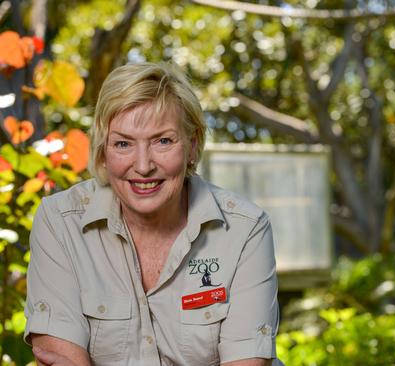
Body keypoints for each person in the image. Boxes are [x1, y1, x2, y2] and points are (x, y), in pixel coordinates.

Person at [24, 62, 280, 366]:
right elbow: (60, 357)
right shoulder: (60, 222)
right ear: (103, 151)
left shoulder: (245, 230)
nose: (143, 165)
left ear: (193, 145)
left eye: (163, 141)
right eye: (123, 143)